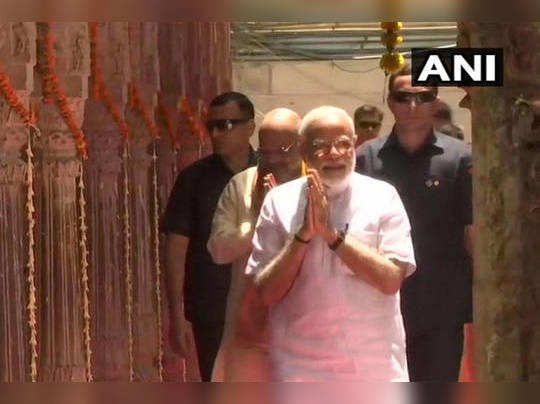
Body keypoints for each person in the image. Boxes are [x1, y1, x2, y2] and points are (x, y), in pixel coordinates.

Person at [238, 106, 416, 381]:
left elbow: (391, 280)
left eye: (343, 143)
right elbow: (266, 293)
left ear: (355, 145)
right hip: (299, 369)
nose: (334, 153)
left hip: (374, 369)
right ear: (302, 149)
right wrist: (302, 237)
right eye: (321, 145)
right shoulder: (279, 201)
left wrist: (333, 236)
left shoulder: (383, 197)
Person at [356, 64, 474, 382]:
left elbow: (472, 234)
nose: (412, 106)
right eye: (403, 97)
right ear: (390, 102)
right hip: (380, 303)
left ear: (435, 102)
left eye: (423, 97)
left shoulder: (460, 159)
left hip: (441, 305)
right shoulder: (366, 159)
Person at [162, 91, 257, 381]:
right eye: (212, 126)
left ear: (250, 127)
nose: (216, 134)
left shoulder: (271, 172)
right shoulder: (194, 179)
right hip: (211, 306)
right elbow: (176, 246)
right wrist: (176, 314)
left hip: (264, 301)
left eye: (226, 125)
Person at [207, 108, 304, 381]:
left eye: (283, 150)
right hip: (249, 326)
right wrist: (262, 219)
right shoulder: (242, 185)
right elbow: (218, 250)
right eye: (266, 152)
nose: (273, 160)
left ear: (302, 145)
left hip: (306, 328)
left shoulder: (318, 185)